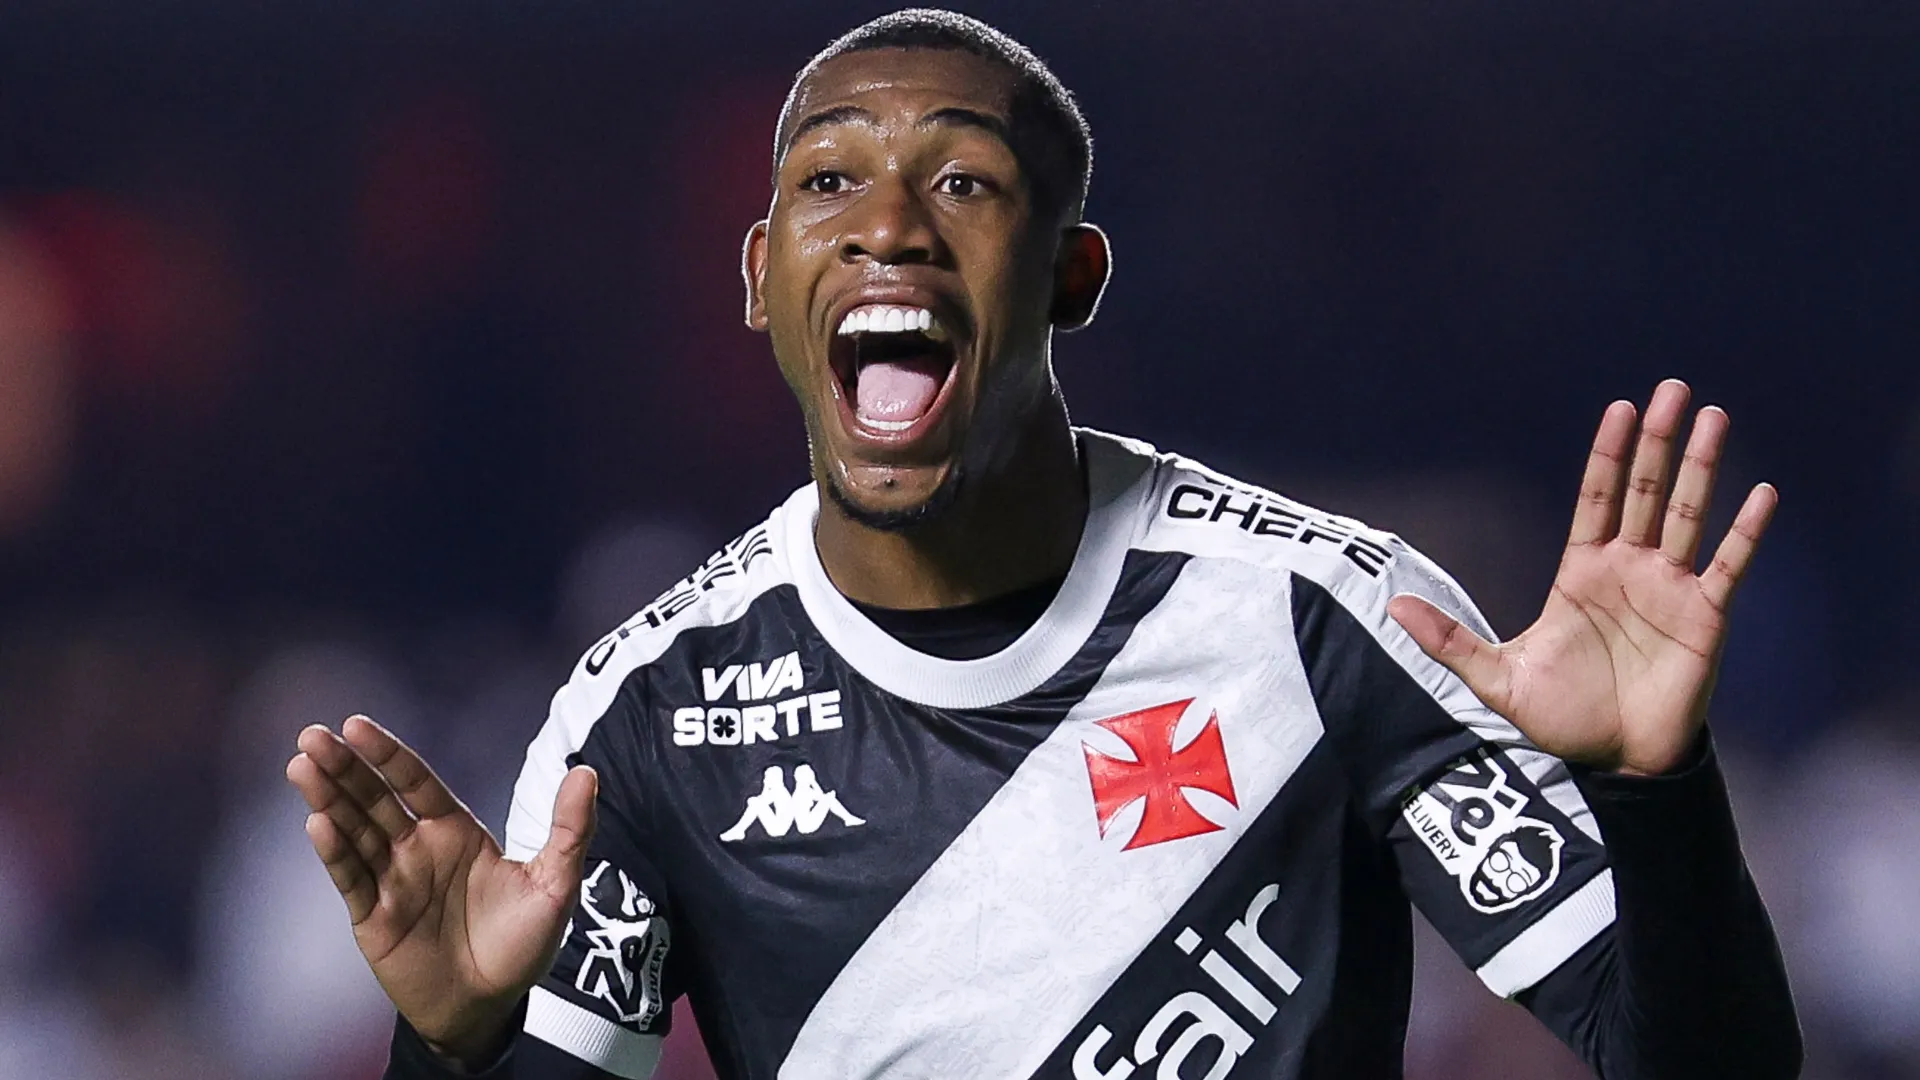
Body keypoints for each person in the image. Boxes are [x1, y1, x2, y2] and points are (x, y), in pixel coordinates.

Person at [284, 9, 1802, 1079]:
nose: (890, 225)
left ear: (1071, 274)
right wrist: (456, 1041)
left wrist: (1652, 795)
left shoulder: (1327, 618)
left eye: (962, 179)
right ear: (763, 277)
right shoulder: (651, 722)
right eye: (829, 181)